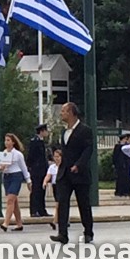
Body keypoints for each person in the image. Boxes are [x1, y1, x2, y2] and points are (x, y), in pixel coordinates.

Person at [51, 102, 94, 244]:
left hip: (79, 174)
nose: (61, 113)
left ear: (71, 113)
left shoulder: (85, 130)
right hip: (64, 173)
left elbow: (88, 150)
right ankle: (62, 233)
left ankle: (88, 231)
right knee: (62, 202)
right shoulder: (64, 132)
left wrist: (78, 165)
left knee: (84, 204)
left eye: (63, 111)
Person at [0, 133, 31, 232]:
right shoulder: (3, 154)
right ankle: (19, 223)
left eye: (8, 140)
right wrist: (0, 168)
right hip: (7, 176)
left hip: (16, 176)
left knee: (10, 199)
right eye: (5, 140)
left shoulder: (18, 154)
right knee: (14, 202)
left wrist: (28, 180)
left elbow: (24, 168)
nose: (6, 142)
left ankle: (6, 223)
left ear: (13, 142)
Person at [27, 124, 49, 217]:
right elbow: (31, 156)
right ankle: (34, 210)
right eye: (46, 131)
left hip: (42, 169)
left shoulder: (41, 142)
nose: (47, 133)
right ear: (42, 131)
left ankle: (41, 210)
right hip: (36, 170)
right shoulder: (35, 142)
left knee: (42, 190)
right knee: (36, 190)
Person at [43, 149, 62, 230]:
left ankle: (54, 221)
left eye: (58, 156)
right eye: (55, 156)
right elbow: (48, 176)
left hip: (62, 185)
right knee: (60, 204)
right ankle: (64, 220)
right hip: (55, 185)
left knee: (58, 204)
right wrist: (45, 182)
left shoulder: (64, 167)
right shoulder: (52, 167)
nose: (56, 158)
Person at [113, 133, 130, 197]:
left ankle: (127, 191)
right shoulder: (118, 146)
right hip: (120, 165)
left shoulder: (126, 146)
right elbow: (115, 156)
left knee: (127, 178)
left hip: (126, 164)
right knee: (120, 179)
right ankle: (120, 191)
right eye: (125, 139)